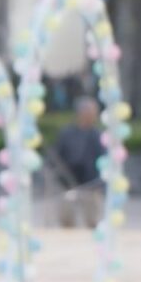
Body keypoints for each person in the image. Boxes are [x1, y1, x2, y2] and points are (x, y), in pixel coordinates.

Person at [51, 97, 105, 228]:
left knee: (93, 221)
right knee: (66, 219)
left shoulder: (98, 135)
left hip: (91, 183)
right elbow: (56, 155)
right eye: (90, 113)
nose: (92, 116)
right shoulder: (67, 133)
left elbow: (104, 158)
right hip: (68, 183)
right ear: (81, 114)